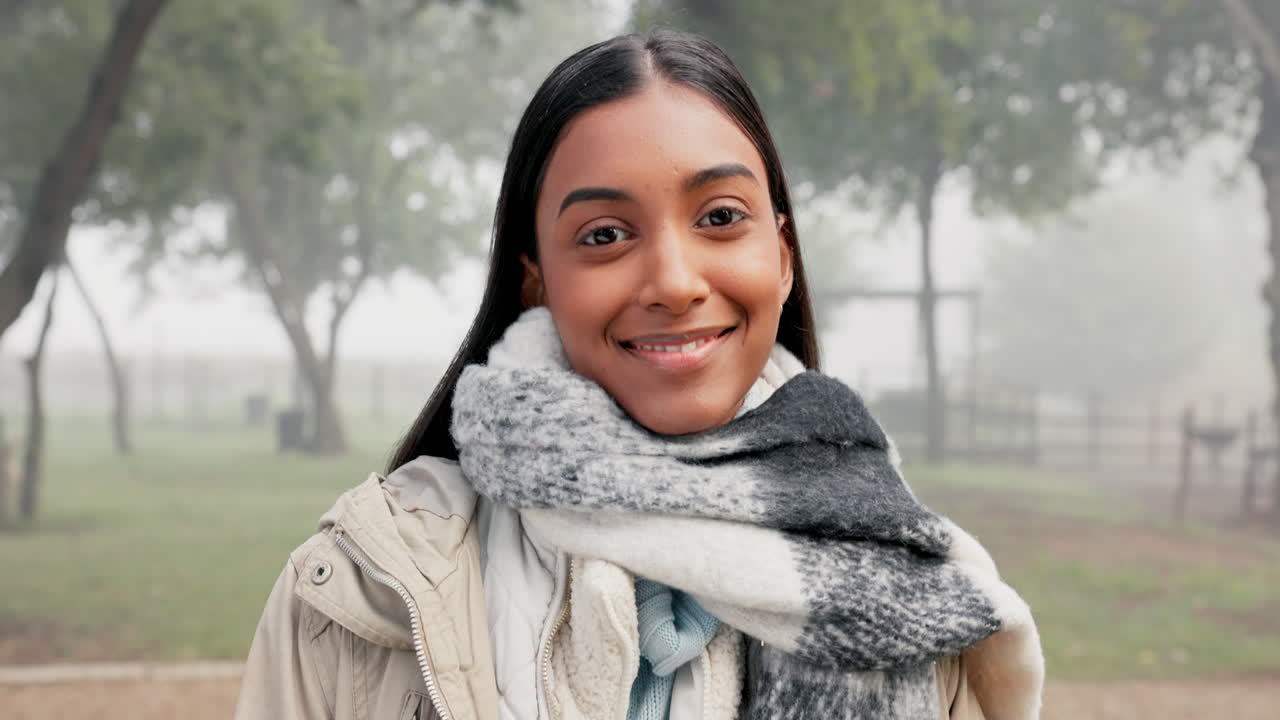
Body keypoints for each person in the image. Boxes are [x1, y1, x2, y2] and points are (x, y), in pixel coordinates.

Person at [234, 29, 1043, 720]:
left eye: (720, 217)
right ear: (535, 281)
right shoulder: (358, 589)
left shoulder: (911, 597)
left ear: (783, 256)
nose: (674, 282)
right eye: (604, 234)